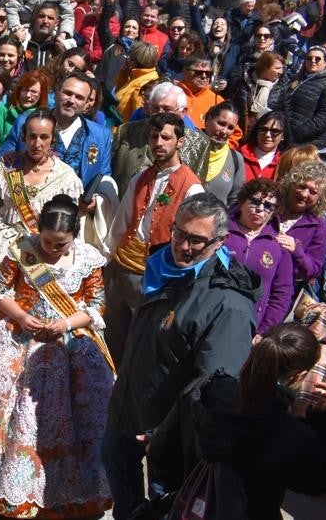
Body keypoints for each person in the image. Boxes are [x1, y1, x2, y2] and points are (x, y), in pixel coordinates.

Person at [103, 195, 260, 520]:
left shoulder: (227, 305)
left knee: (165, 506)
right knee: (119, 476)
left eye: (196, 240)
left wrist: (165, 433)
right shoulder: (163, 266)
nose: (184, 247)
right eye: (179, 234)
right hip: (129, 408)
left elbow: (215, 388)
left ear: (219, 242)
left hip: (169, 436)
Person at [0, 194, 113, 518]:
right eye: (47, 242)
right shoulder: (22, 250)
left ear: (74, 235)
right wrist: (20, 316)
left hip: (68, 342)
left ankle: (69, 492)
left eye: (60, 244)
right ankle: (1, 488)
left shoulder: (87, 259)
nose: (52, 250)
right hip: (17, 335)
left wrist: (66, 323)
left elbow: (96, 304)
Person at [170, 323, 326, 520]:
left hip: (192, 508)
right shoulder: (288, 434)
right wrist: (323, 419)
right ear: (298, 375)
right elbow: (319, 482)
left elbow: (162, 448)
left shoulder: (207, 392)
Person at [0, 109, 83, 336]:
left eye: (44, 137)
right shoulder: (6, 167)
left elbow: (68, 225)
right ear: (24, 136)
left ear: (53, 138)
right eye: (32, 136)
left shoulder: (66, 177)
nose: (37, 143)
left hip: (41, 251)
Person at [106, 113, 204, 362]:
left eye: (166, 137)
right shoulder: (140, 178)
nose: (159, 142)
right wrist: (108, 259)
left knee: (142, 340)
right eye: (154, 137)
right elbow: (122, 221)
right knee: (113, 335)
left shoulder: (191, 187)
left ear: (180, 141)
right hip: (122, 266)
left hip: (155, 275)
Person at [225, 179, 295, 333]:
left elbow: (282, 295)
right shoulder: (220, 231)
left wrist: (262, 331)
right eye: (255, 202)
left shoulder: (278, 245)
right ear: (242, 201)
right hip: (210, 313)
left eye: (268, 206)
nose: (260, 209)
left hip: (248, 327)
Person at [273, 161, 326, 300]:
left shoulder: (317, 226)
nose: (305, 194)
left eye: (313, 192)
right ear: (291, 184)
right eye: (301, 186)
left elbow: (313, 270)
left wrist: (296, 250)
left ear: (320, 198)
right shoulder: (270, 204)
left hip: (280, 292)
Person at [283, 44, 326, 153]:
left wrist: (296, 134)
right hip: (289, 138)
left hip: (309, 145)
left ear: (325, 62)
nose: (313, 61)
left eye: (317, 58)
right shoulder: (298, 79)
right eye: (309, 58)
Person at [240, 110, 285, 182]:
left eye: (274, 131)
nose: (267, 135)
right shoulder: (239, 155)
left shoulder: (285, 163)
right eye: (263, 129)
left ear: (283, 136)